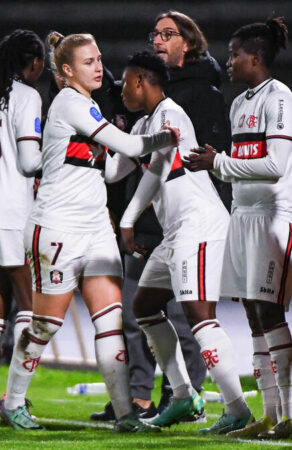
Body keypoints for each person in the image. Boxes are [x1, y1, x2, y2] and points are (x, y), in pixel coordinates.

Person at [0, 31, 179, 432]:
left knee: (109, 322)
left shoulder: (89, 106)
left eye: (99, 59)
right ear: (65, 71)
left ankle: (126, 415)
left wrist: (143, 151)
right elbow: (129, 147)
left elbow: (112, 167)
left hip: (96, 227)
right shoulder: (67, 103)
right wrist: (161, 137)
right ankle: (12, 403)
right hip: (58, 227)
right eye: (88, 61)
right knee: (45, 325)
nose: (99, 66)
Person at [107, 50, 253, 433]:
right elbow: (112, 171)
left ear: (141, 80)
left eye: (125, 83)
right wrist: (101, 134)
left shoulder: (171, 114)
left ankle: (237, 409)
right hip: (176, 233)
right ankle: (184, 395)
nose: (122, 89)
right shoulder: (142, 127)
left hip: (199, 226)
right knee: (146, 305)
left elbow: (157, 169)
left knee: (199, 317)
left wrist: (127, 219)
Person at [183, 17, 292, 440]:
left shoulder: (281, 98)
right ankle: (269, 416)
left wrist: (218, 163)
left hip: (275, 215)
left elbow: (274, 166)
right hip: (243, 215)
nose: (228, 61)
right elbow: (239, 170)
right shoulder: (239, 104)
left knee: (270, 311)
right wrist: (220, 164)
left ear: (255, 56)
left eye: (234, 54)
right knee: (252, 313)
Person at [150, 10, 232, 210]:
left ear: (187, 44)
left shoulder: (204, 94)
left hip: (187, 215)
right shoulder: (152, 89)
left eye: (167, 35)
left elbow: (209, 163)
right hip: (150, 212)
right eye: (155, 35)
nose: (157, 42)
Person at [0, 29, 45, 361]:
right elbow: (30, 163)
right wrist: (59, 153)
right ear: (35, 62)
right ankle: (15, 396)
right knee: (27, 301)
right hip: (12, 207)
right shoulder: (27, 96)